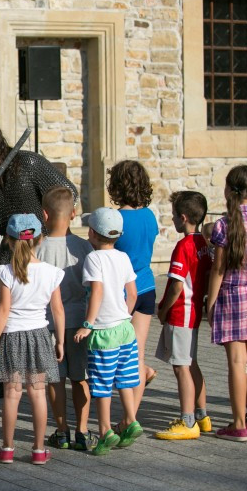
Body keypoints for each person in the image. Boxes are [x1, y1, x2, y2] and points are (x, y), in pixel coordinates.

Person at [0, 118, 76, 304]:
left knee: (52, 297)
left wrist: (53, 226)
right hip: (10, 248)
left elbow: (68, 193)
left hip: (40, 244)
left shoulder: (28, 163)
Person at [0, 214, 64, 466]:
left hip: (12, 336)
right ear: (38, 239)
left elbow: (3, 311)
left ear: (9, 241)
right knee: (38, 394)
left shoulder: (6, 271)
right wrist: (60, 340)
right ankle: (38, 450)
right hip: (39, 335)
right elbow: (57, 310)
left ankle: (7, 448)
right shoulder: (51, 272)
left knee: (11, 394)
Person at [75, 207, 143, 455]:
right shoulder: (123, 257)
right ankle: (131, 419)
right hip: (125, 327)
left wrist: (88, 323)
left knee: (102, 384)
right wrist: (122, 314)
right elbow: (133, 294)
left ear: (91, 232)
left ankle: (105, 430)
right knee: (125, 379)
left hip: (103, 332)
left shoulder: (94, 258)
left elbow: (97, 291)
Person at [36, 187, 95, 451]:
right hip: (79, 320)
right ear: (73, 214)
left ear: (44, 215)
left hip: (48, 323)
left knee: (55, 378)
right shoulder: (84, 247)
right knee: (80, 377)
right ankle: (82, 429)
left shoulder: (38, 249)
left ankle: (61, 430)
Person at [154, 191, 212, 440]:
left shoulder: (183, 246)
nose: (173, 220)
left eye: (174, 216)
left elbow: (177, 286)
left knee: (181, 367)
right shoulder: (204, 245)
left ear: (184, 217)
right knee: (192, 362)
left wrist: (163, 309)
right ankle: (202, 415)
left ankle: (188, 421)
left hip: (181, 313)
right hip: (195, 311)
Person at [108, 160, 158, 427]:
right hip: (147, 286)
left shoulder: (116, 219)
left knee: (115, 354)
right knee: (136, 354)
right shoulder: (150, 216)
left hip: (121, 292)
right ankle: (130, 418)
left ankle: (127, 416)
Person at [206, 164, 247, 441]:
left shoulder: (225, 224)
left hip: (233, 294)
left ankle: (238, 424)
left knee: (236, 361)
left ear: (229, 189)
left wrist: (211, 303)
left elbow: (218, 270)